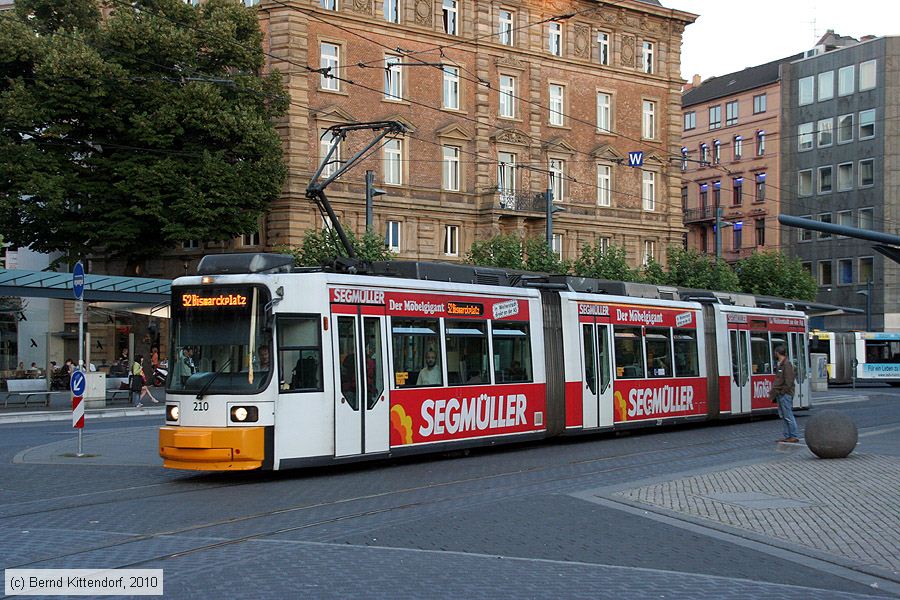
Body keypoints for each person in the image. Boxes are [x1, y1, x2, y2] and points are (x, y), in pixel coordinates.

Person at [769, 345, 799, 443]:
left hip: (785, 394)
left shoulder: (786, 364)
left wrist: (783, 392)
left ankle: (793, 435)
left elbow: (789, 381)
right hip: (781, 393)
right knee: (784, 415)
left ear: (777, 353)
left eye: (775, 352)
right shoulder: (782, 364)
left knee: (788, 415)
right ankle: (787, 436)